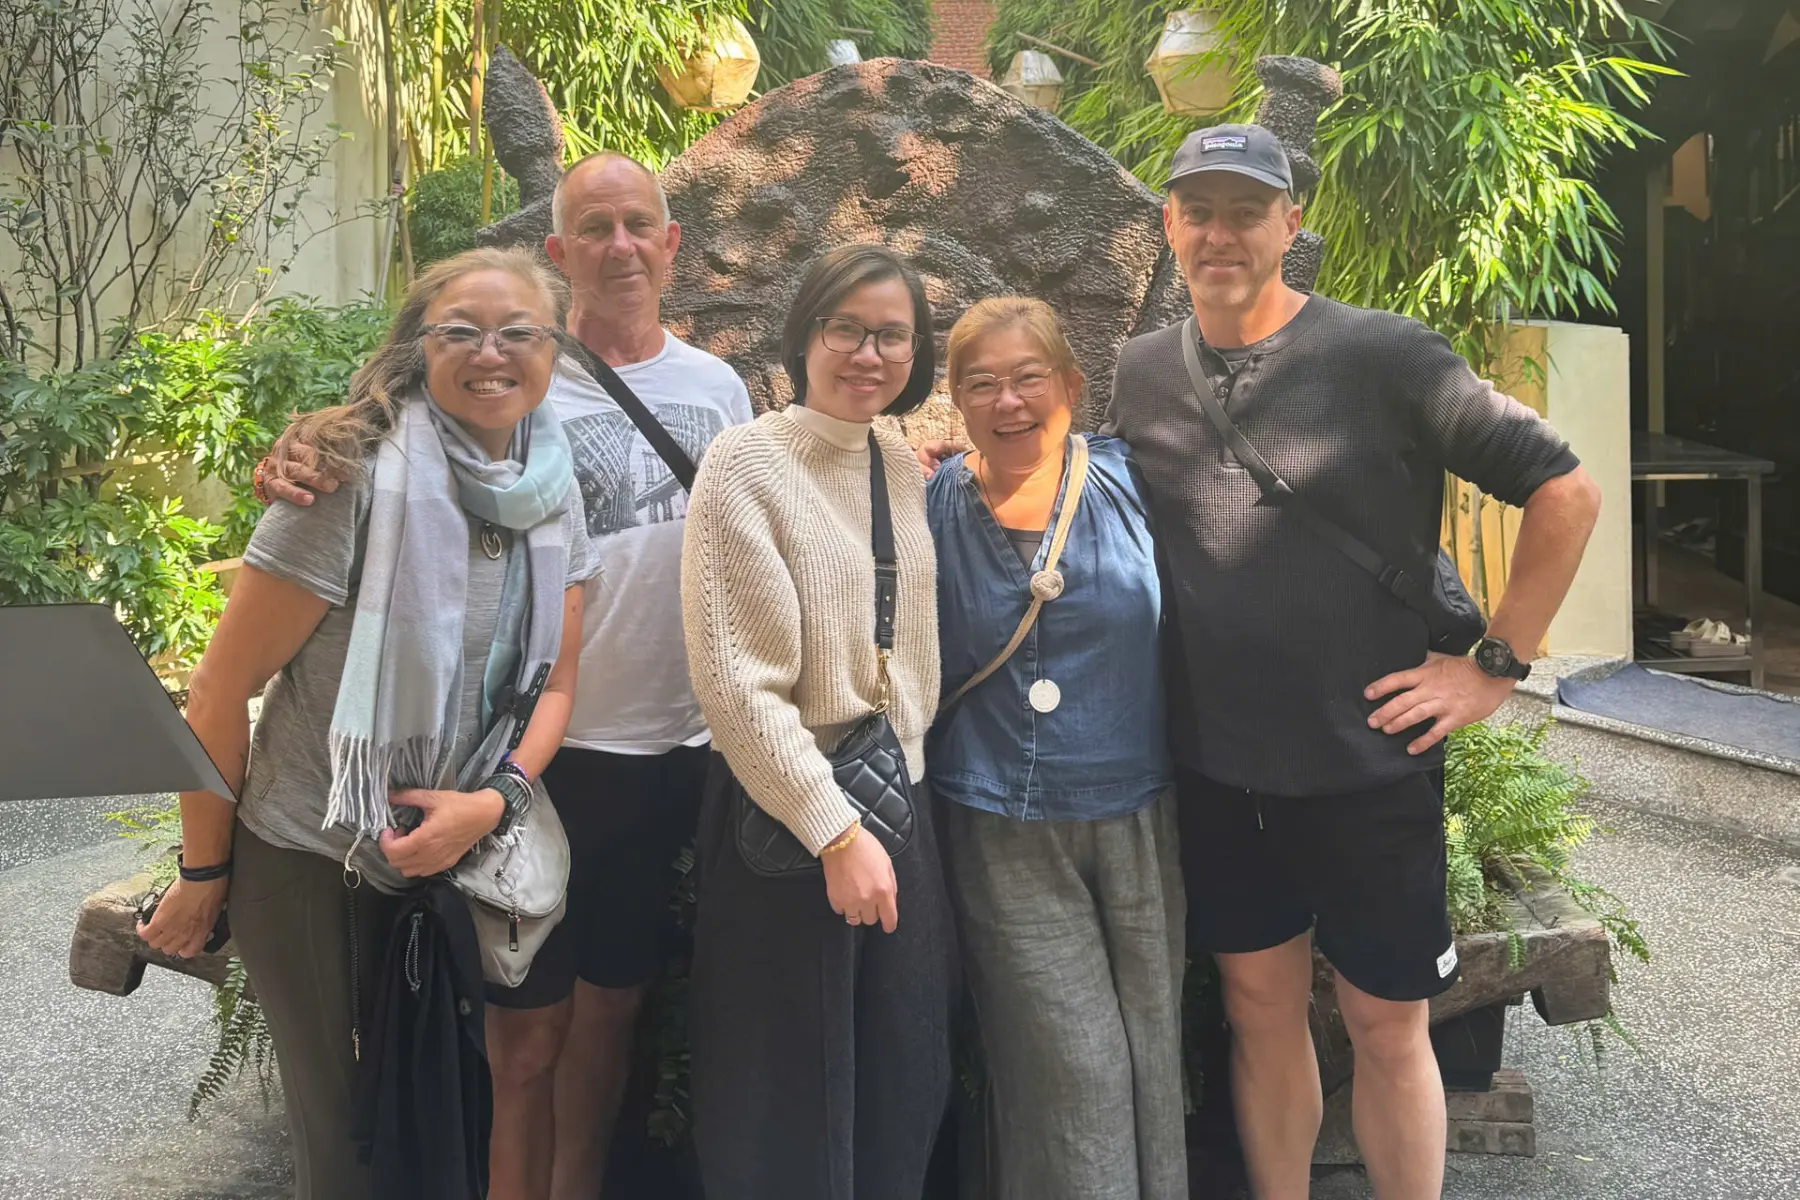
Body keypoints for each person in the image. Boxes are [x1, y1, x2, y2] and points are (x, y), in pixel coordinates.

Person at [1104, 124, 1603, 1200]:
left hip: (1371, 762)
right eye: (1202, 210)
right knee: (1258, 1014)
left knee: (1387, 1024)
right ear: (1170, 226)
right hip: (1219, 766)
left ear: (1290, 223)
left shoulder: (1386, 355)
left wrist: (1492, 664)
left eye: (1249, 210)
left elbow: (1566, 489)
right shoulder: (1141, 373)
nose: (1223, 232)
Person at [257, 151, 754, 1199]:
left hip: (666, 752)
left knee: (612, 1005)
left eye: (639, 225)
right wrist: (304, 445)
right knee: (517, 1038)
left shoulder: (719, 390)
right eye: (595, 227)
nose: (620, 246)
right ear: (559, 250)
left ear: (671, 246)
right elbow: (381, 431)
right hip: (531, 755)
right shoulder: (513, 367)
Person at [138, 246, 595, 1200]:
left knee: (434, 1122)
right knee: (347, 1145)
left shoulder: (556, 490)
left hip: (452, 860)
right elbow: (217, 694)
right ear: (416, 346)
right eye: (459, 331)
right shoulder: (348, 481)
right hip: (314, 855)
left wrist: (492, 802)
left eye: (519, 331)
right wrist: (203, 873)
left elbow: (553, 685)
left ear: (558, 346)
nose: (490, 352)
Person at [679, 244, 956, 1200]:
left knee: (902, 1073)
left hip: (901, 801)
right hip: (791, 811)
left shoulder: (896, 459)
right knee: (784, 1094)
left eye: (891, 335)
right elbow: (735, 682)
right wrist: (833, 830)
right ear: (805, 334)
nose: (867, 353)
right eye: (846, 328)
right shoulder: (744, 463)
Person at [926, 297, 1186, 1199]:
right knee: (1071, 1071)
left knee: (1154, 1052)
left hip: (1139, 809)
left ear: (1072, 386)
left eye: (1029, 377)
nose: (1009, 401)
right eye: (982, 383)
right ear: (955, 401)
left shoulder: (1130, 481)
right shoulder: (932, 507)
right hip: (1004, 822)